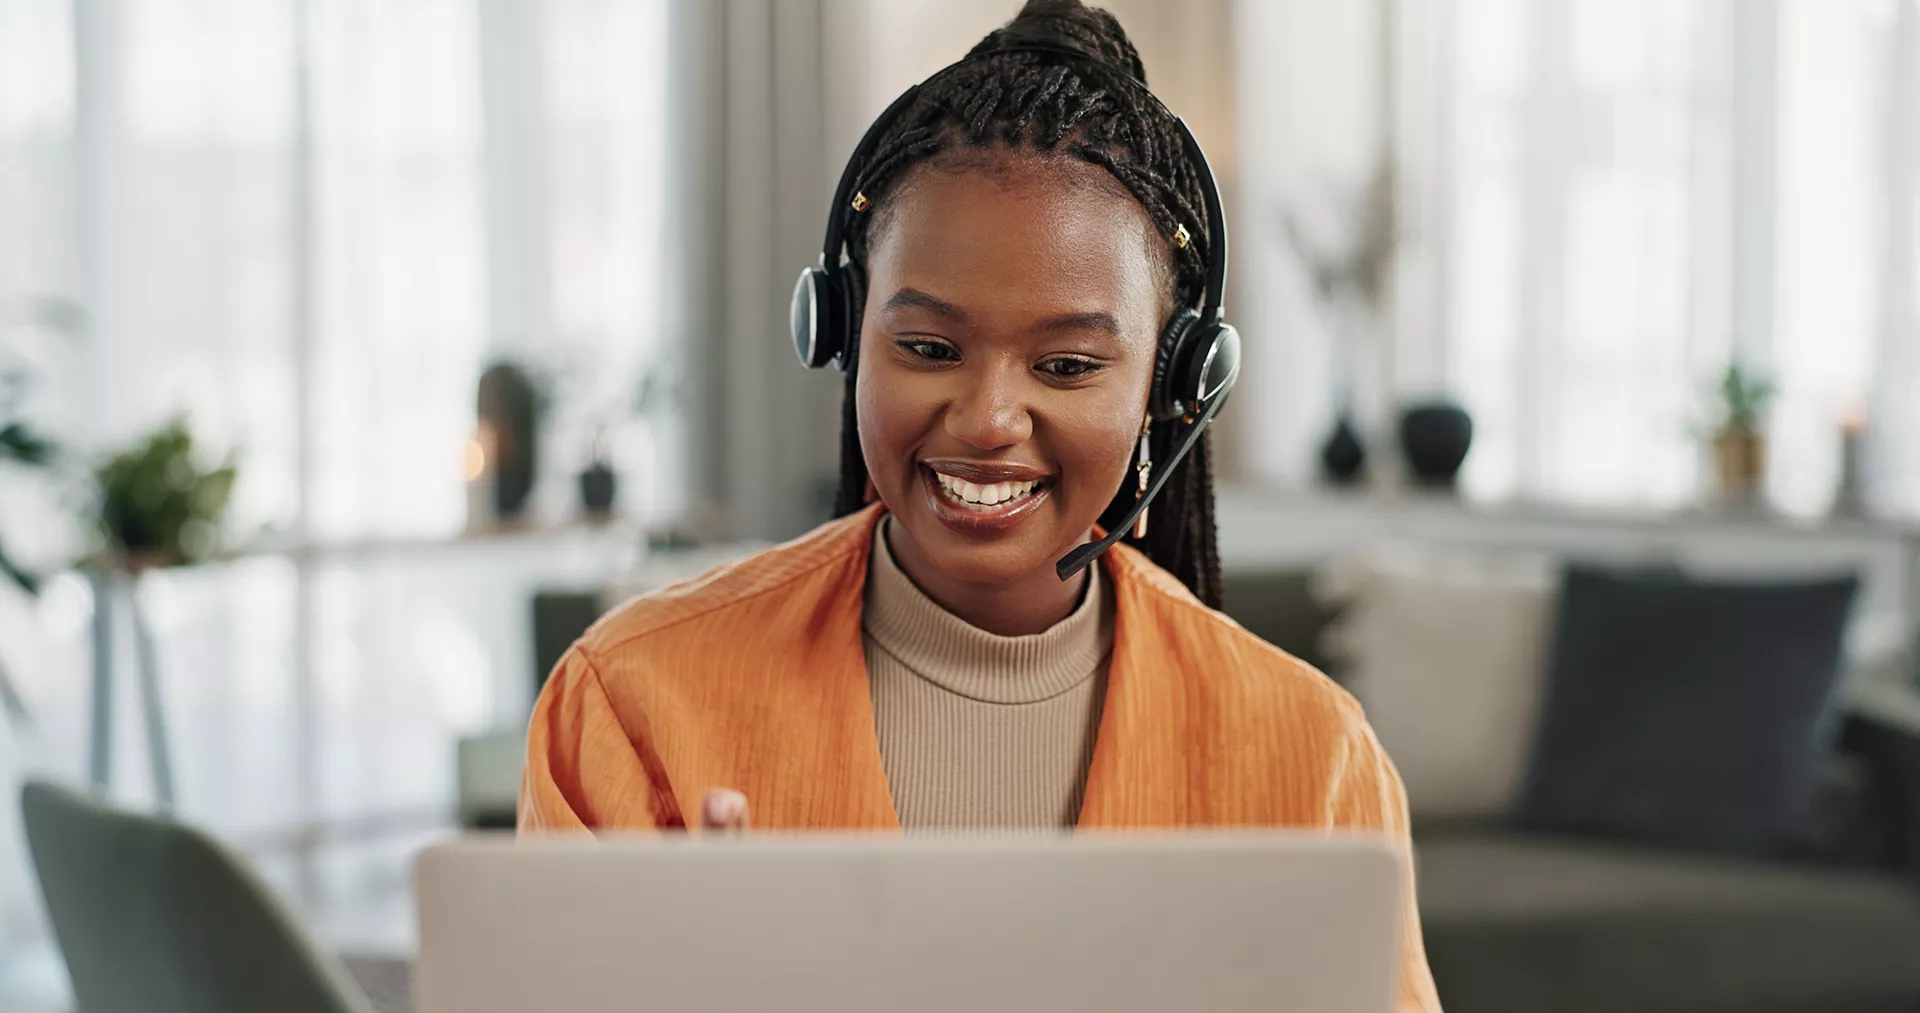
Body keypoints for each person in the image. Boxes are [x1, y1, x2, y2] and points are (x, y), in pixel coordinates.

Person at [520, 2, 1439, 1008]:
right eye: (927, 348)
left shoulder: (1313, 757)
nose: (991, 417)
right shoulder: (631, 702)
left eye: (1069, 363)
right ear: (841, 331)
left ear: (1172, 385)